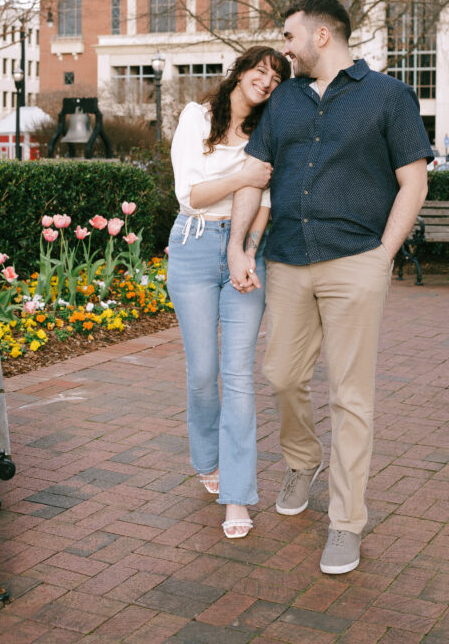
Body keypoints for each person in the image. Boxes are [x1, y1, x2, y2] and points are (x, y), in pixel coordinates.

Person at [228, 0, 432, 573]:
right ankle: (301, 461)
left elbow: (412, 183)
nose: (283, 48)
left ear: (322, 35)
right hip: (288, 260)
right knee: (281, 376)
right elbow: (255, 176)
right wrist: (241, 244)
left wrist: (383, 257)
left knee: (350, 395)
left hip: (355, 261)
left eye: (289, 37)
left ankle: (346, 522)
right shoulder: (284, 101)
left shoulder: (389, 96)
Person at [167, 45, 291, 539]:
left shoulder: (267, 134)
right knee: (202, 373)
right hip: (194, 245)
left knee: (237, 375)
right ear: (239, 73)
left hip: (244, 254)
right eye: (259, 71)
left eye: (276, 78)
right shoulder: (197, 117)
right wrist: (239, 175)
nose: (266, 81)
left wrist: (245, 250)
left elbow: (264, 201)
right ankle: (206, 457)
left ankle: (236, 495)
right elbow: (190, 195)